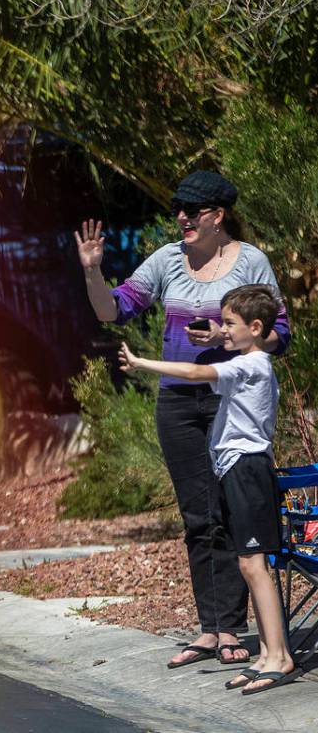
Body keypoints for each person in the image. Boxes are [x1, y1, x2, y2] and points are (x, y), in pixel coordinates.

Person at [75, 170, 291, 668]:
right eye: (179, 209)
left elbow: (279, 332)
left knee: (230, 512)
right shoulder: (167, 259)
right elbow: (113, 310)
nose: (182, 218)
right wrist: (91, 271)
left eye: (192, 211)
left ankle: (236, 628)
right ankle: (211, 629)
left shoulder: (251, 261)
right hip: (176, 403)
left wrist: (224, 338)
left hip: (226, 401)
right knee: (198, 517)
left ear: (217, 216)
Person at [119, 285, 300, 694]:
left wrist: (142, 362)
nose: (224, 330)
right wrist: (217, 337)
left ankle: (281, 657)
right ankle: (267, 653)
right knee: (247, 565)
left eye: (230, 324)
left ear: (255, 328)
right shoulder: (245, 360)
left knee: (256, 566)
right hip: (235, 470)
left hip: (248, 471)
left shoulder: (254, 363)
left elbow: (199, 373)